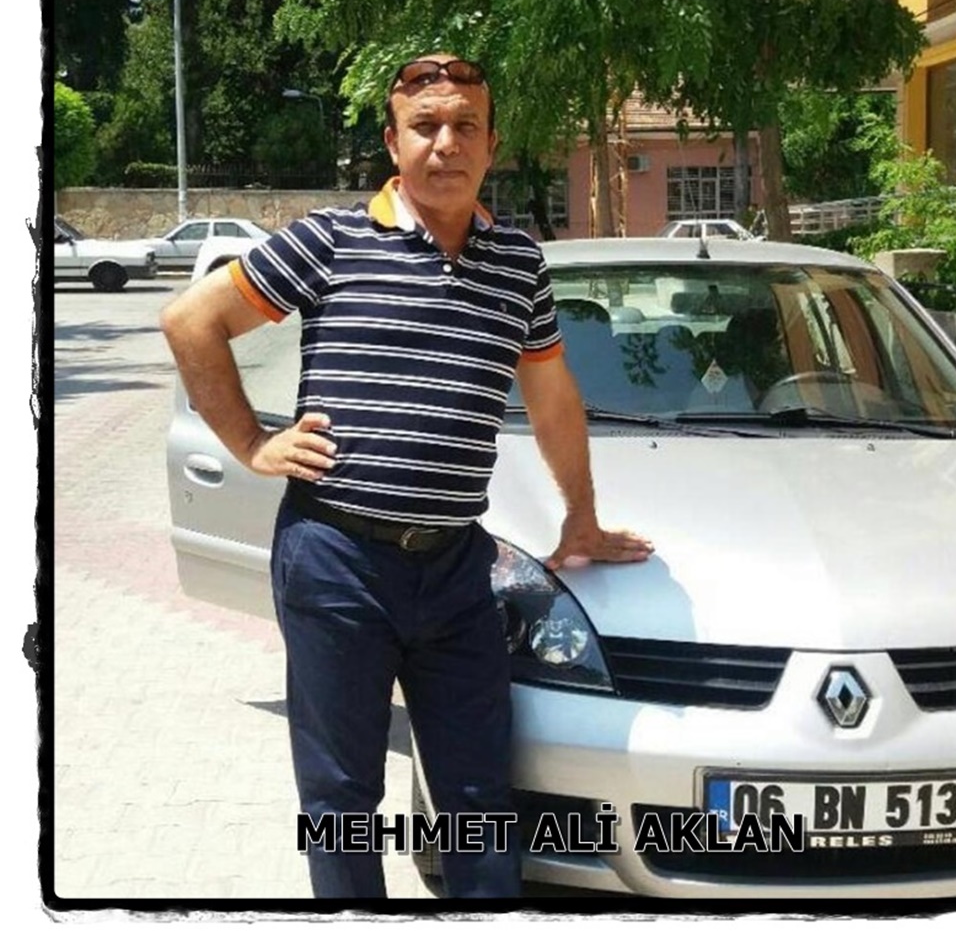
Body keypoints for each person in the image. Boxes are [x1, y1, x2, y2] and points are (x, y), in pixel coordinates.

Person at [159, 54, 654, 900]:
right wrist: (251, 443)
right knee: (342, 798)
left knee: (477, 798)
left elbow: (552, 399)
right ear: (394, 143)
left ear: (492, 145)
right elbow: (190, 320)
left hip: (460, 572)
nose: (445, 143)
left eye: (465, 125)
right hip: (336, 561)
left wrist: (582, 517)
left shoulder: (519, 264)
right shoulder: (330, 241)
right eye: (425, 126)